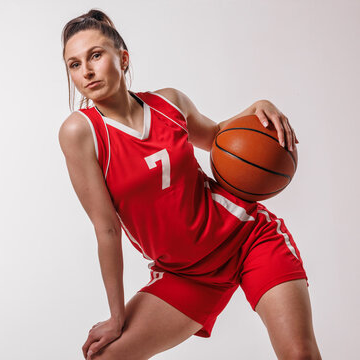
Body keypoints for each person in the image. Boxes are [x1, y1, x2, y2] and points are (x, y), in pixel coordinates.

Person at [58, 9, 322, 360]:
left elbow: (219, 138)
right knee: (106, 357)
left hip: (246, 237)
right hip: (186, 275)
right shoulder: (81, 132)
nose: (86, 71)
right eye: (74, 64)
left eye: (95, 55)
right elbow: (107, 229)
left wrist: (257, 107)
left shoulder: (170, 103)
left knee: (299, 354)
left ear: (122, 59)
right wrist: (117, 316)